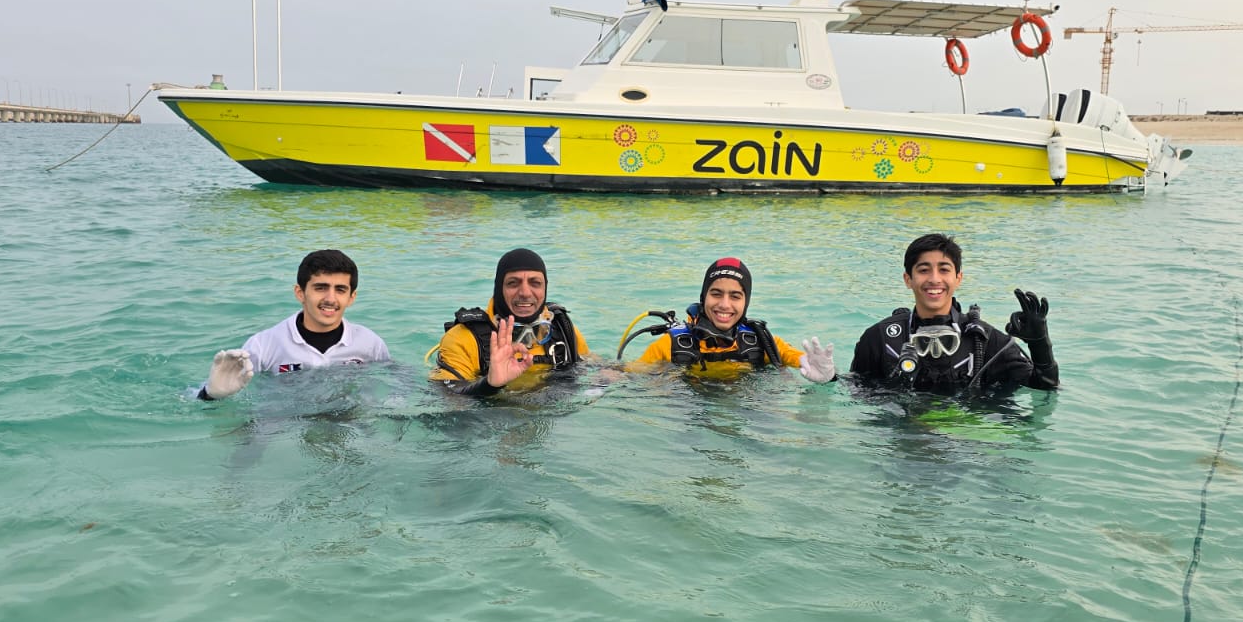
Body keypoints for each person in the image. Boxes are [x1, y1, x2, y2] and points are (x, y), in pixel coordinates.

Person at [849, 233, 1058, 392]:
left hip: (968, 441)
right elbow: (855, 392)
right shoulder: (880, 338)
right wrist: (827, 380)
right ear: (908, 279)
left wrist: (1039, 343)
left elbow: (1045, 387)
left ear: (958, 278)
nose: (934, 279)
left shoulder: (986, 341)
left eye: (944, 269)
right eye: (923, 270)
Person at [199, 249, 391, 400]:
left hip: (349, 420)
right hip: (282, 425)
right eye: (320, 288)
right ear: (300, 293)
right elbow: (211, 390)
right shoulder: (263, 345)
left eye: (340, 290)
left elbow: (397, 383)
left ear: (351, 297)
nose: (330, 299)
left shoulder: (370, 343)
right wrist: (210, 394)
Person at [632, 257, 836, 382]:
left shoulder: (762, 342)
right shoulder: (671, 345)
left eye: (735, 296)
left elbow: (799, 359)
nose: (725, 305)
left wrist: (829, 377)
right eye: (716, 294)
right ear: (703, 297)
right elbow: (632, 373)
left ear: (746, 302)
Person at [433, 248, 590, 395]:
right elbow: (447, 400)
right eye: (513, 283)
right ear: (499, 288)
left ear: (545, 289)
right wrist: (489, 385)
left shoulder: (563, 330)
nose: (525, 293)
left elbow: (592, 367)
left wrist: (609, 373)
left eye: (535, 283)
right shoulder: (462, 339)